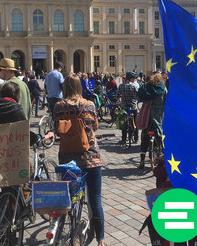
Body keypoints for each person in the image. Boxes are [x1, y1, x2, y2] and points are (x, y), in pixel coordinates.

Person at [53, 74, 105, 246]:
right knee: (95, 199)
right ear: (79, 87)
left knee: (67, 197)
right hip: (91, 157)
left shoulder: (59, 106)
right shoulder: (89, 104)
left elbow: (56, 128)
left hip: (69, 160)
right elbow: (95, 126)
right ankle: (100, 240)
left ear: (65, 87)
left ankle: (62, 230)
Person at [0, 58, 31, 126]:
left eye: (0, 70)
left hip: (8, 130)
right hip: (22, 129)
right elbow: (29, 106)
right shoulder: (24, 85)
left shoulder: (4, 86)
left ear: (6, 71)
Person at [137, 73, 167, 169]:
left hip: (147, 114)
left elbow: (139, 96)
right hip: (158, 114)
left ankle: (142, 160)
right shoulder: (162, 88)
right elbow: (167, 100)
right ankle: (162, 154)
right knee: (160, 132)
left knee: (145, 135)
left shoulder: (147, 88)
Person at [117, 71, 140, 146]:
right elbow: (138, 96)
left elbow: (118, 95)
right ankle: (136, 138)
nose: (134, 80)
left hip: (124, 108)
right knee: (136, 122)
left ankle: (124, 139)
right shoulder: (134, 86)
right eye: (134, 78)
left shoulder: (121, 86)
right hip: (133, 107)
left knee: (124, 123)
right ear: (131, 79)